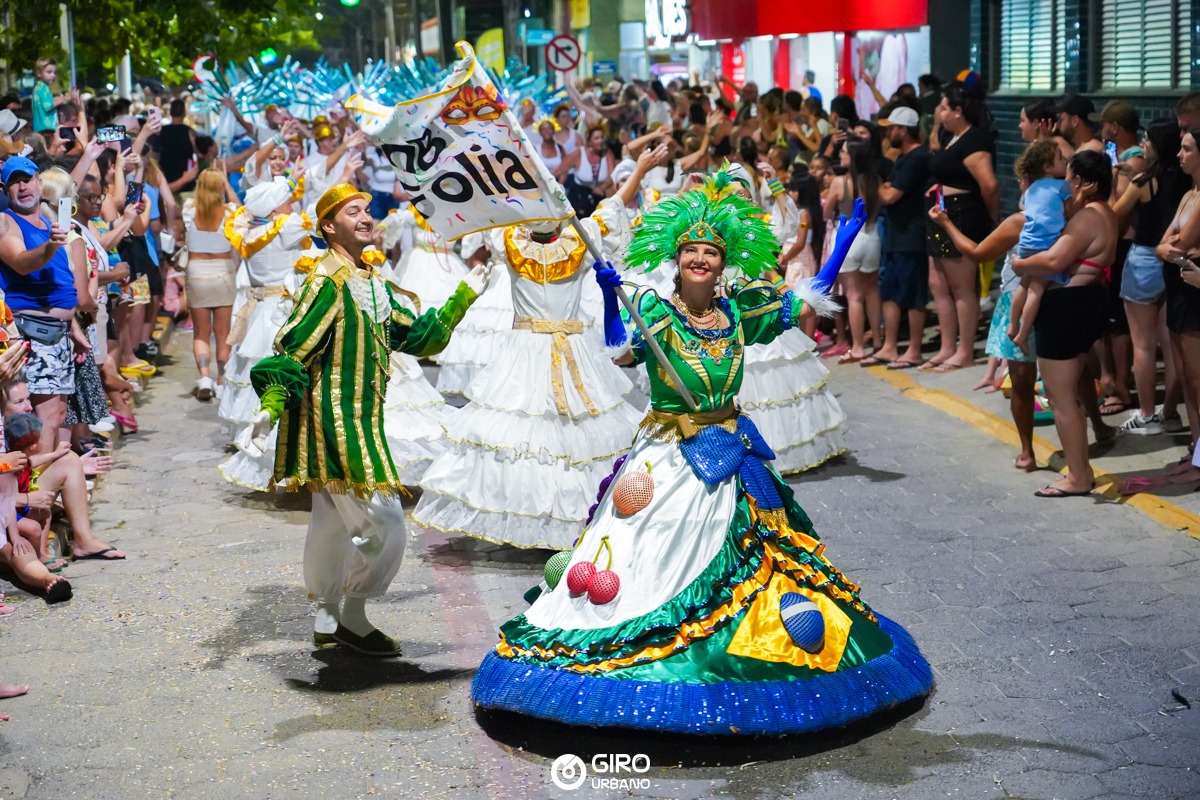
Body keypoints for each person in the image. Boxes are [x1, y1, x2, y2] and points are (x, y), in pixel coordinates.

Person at [471, 185, 934, 736]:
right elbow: (619, 348)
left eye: (711, 252)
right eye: (691, 249)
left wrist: (844, 242)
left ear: (722, 264)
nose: (699, 259)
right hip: (665, 459)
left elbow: (804, 300)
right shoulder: (653, 311)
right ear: (677, 257)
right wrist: (605, 293)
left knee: (766, 558)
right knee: (646, 561)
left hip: (733, 450)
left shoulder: (739, 314)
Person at [242, 183, 487, 655]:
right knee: (389, 521)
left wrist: (462, 298)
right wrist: (269, 408)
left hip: (363, 417)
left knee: (331, 523)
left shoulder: (370, 281)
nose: (365, 217)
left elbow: (414, 339)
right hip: (333, 423)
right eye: (352, 212)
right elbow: (293, 347)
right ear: (329, 227)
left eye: (367, 210)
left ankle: (329, 613)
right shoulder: (326, 282)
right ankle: (352, 612)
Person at [412, 148, 664, 550]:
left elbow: (612, 207)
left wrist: (642, 171)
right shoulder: (507, 238)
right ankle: (529, 517)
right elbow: (481, 203)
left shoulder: (583, 238)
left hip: (573, 349)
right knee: (526, 437)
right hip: (524, 353)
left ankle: (579, 517)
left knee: (576, 437)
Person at [1012, 151, 1119, 497]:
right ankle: (1081, 468)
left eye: (1070, 180)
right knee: (1069, 395)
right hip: (1090, 303)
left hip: (1068, 308)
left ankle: (1077, 478)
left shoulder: (1087, 216)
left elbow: (1055, 259)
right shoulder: (1106, 212)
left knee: (1061, 399)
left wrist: (1019, 264)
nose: (1065, 187)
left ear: (1087, 183)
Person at [0, 157, 84, 456]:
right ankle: (36, 498)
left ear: (39, 183)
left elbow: (62, 283)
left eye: (28, 179)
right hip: (32, 335)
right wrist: (50, 246)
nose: (23, 186)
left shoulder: (49, 222)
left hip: (57, 335)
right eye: (14, 181)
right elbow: (21, 264)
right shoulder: (6, 221)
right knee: (38, 421)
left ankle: (47, 491)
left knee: (56, 416)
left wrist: (73, 327)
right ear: (6, 189)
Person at [1112, 119, 1189, 435]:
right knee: (1172, 345)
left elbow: (1116, 212)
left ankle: (1146, 414)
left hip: (1145, 258)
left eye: (1147, 140)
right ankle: (1170, 411)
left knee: (1142, 344)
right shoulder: (1187, 180)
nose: (1143, 144)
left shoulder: (1145, 180)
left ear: (1158, 145)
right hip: (1177, 258)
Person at [1, 379, 124, 560]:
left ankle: (85, 541)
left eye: (29, 400)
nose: (28, 407)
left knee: (70, 461)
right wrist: (26, 499)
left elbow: (27, 466)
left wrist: (67, 465)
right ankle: (36, 560)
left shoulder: (19, 430)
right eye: (19, 402)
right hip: (7, 509)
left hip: (18, 499)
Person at [923, 78, 997, 372]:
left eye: (944, 107)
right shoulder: (950, 137)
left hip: (962, 215)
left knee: (962, 287)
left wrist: (993, 217)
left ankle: (965, 350)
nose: (939, 113)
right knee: (938, 285)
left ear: (958, 111)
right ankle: (947, 347)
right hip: (939, 214)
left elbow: (989, 185)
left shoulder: (976, 139)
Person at [874, 106, 932, 369]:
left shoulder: (918, 158)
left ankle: (914, 350)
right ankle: (890, 347)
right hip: (896, 237)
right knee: (890, 293)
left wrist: (880, 185)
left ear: (903, 130)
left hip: (912, 237)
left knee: (914, 295)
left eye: (892, 128)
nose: (888, 134)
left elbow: (889, 196)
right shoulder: (903, 158)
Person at [1007, 139, 1072, 355]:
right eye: (1061, 159)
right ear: (1047, 167)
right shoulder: (1061, 186)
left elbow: (1023, 205)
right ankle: (1023, 334)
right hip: (1045, 245)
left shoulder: (1032, 188)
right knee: (1036, 290)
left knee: (1024, 285)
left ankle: (1012, 324)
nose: (1065, 162)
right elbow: (1073, 207)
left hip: (1026, 243)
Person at [182, 168, 239, 400]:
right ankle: (222, 380)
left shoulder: (189, 210)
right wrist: (227, 183)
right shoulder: (230, 212)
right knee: (223, 332)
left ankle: (204, 377)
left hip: (196, 272)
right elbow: (242, 208)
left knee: (201, 332)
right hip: (223, 273)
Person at [826, 141, 882, 363]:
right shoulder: (875, 181)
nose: (840, 154)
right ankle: (878, 341)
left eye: (844, 151)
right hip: (872, 236)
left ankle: (858, 346)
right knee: (871, 290)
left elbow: (827, 209)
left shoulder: (841, 181)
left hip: (849, 236)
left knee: (853, 295)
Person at [31, 58, 67, 136]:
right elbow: (48, 107)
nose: (53, 75)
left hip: (39, 128)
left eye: (55, 72)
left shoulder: (37, 88)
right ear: (39, 73)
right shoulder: (44, 89)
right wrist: (60, 100)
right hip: (48, 129)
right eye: (49, 72)